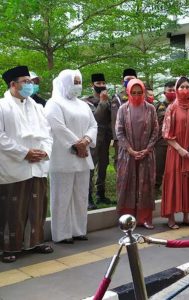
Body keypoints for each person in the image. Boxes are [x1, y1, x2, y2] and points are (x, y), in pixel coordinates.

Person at [0, 66, 53, 263]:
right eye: (25, 81)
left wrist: (45, 152)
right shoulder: (2, 107)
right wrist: (25, 153)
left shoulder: (38, 108)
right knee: (12, 208)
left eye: (30, 81)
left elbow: (48, 134)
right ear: (13, 84)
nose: (29, 85)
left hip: (38, 165)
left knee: (37, 206)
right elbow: (1, 137)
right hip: (13, 166)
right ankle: (9, 247)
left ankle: (35, 242)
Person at [45, 70, 97, 243]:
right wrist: (78, 144)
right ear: (64, 82)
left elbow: (93, 124)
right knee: (62, 196)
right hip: (63, 157)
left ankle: (78, 230)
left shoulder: (82, 105)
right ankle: (62, 233)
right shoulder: (54, 104)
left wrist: (87, 140)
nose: (78, 86)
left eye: (79, 82)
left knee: (80, 195)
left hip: (83, 156)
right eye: (74, 82)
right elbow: (58, 127)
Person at [115, 79, 158, 229]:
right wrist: (130, 150)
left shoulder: (151, 109)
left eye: (140, 93)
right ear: (128, 92)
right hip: (128, 155)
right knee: (127, 185)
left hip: (146, 155)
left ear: (144, 92)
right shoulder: (123, 109)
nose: (137, 95)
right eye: (133, 93)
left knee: (145, 185)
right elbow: (119, 132)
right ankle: (127, 219)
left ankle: (144, 218)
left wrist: (147, 149)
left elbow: (155, 131)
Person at [161, 77, 189, 229]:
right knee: (173, 183)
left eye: (187, 86)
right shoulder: (172, 108)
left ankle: (186, 217)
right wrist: (180, 149)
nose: (185, 90)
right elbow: (166, 133)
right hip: (176, 153)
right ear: (177, 89)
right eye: (182, 87)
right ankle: (171, 217)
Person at [83, 73, 113, 209]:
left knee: (103, 166)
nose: (101, 85)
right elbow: (94, 119)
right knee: (90, 167)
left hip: (106, 139)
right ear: (92, 85)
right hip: (93, 139)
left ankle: (101, 194)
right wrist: (102, 102)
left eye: (103, 83)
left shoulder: (109, 100)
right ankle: (88, 197)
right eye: (98, 83)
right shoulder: (86, 102)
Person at [111, 68, 137, 169]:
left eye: (132, 79)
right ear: (123, 81)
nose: (130, 81)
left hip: (138, 137)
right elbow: (114, 120)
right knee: (121, 162)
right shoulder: (117, 98)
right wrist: (117, 139)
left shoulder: (141, 96)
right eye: (127, 79)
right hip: (122, 137)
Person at [154, 81, 176, 192]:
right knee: (158, 169)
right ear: (164, 92)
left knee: (174, 170)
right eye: (169, 90)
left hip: (177, 144)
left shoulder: (180, 107)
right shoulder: (157, 107)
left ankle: (172, 192)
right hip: (161, 143)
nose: (172, 92)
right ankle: (155, 191)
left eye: (174, 90)